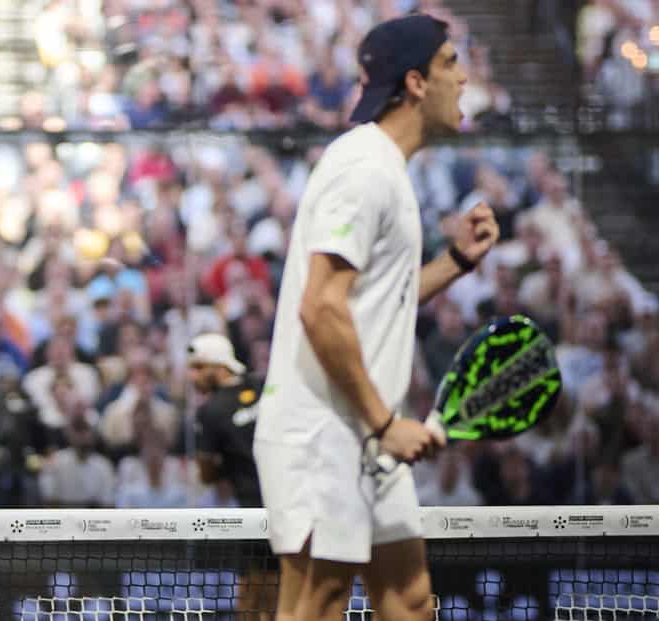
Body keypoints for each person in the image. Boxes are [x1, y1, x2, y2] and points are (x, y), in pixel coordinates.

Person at [252, 14, 499, 621]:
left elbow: (376, 300)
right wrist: (385, 421)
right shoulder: (363, 169)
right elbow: (321, 307)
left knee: (410, 603)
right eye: (449, 64)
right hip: (325, 435)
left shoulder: (384, 169)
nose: (463, 79)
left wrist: (456, 263)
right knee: (316, 607)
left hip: (361, 439)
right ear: (416, 82)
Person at [189, 333, 276, 619]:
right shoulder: (265, 386)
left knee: (253, 603)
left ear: (218, 365)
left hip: (255, 515)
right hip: (293, 502)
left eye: (199, 367)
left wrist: (223, 465)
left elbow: (206, 474)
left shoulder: (209, 413)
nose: (193, 376)